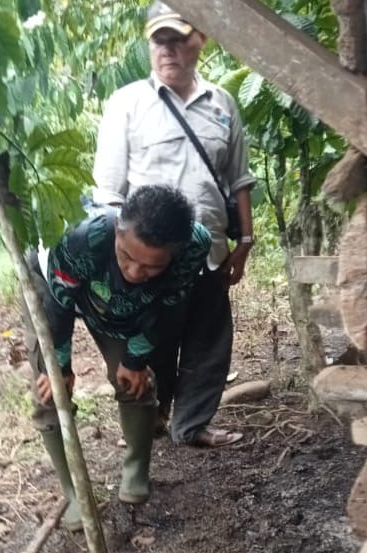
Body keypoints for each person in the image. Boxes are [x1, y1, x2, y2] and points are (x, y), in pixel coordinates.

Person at [92, 2, 256, 448]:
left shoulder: (223, 105)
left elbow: (239, 178)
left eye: (177, 39)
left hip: (209, 252)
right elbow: (108, 195)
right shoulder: (127, 104)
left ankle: (193, 425)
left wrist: (245, 240)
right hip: (153, 260)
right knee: (154, 339)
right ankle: (153, 419)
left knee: (209, 339)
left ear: (200, 39)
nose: (167, 50)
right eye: (158, 41)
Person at [24, 185, 210, 531]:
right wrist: (60, 367)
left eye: (150, 266)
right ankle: (75, 494)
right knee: (50, 392)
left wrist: (136, 359)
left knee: (136, 380)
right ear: (117, 231)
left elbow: (167, 306)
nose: (135, 271)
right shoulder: (80, 238)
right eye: (126, 256)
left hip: (124, 306)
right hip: (55, 289)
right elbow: (58, 308)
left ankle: (135, 474)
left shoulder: (193, 247)